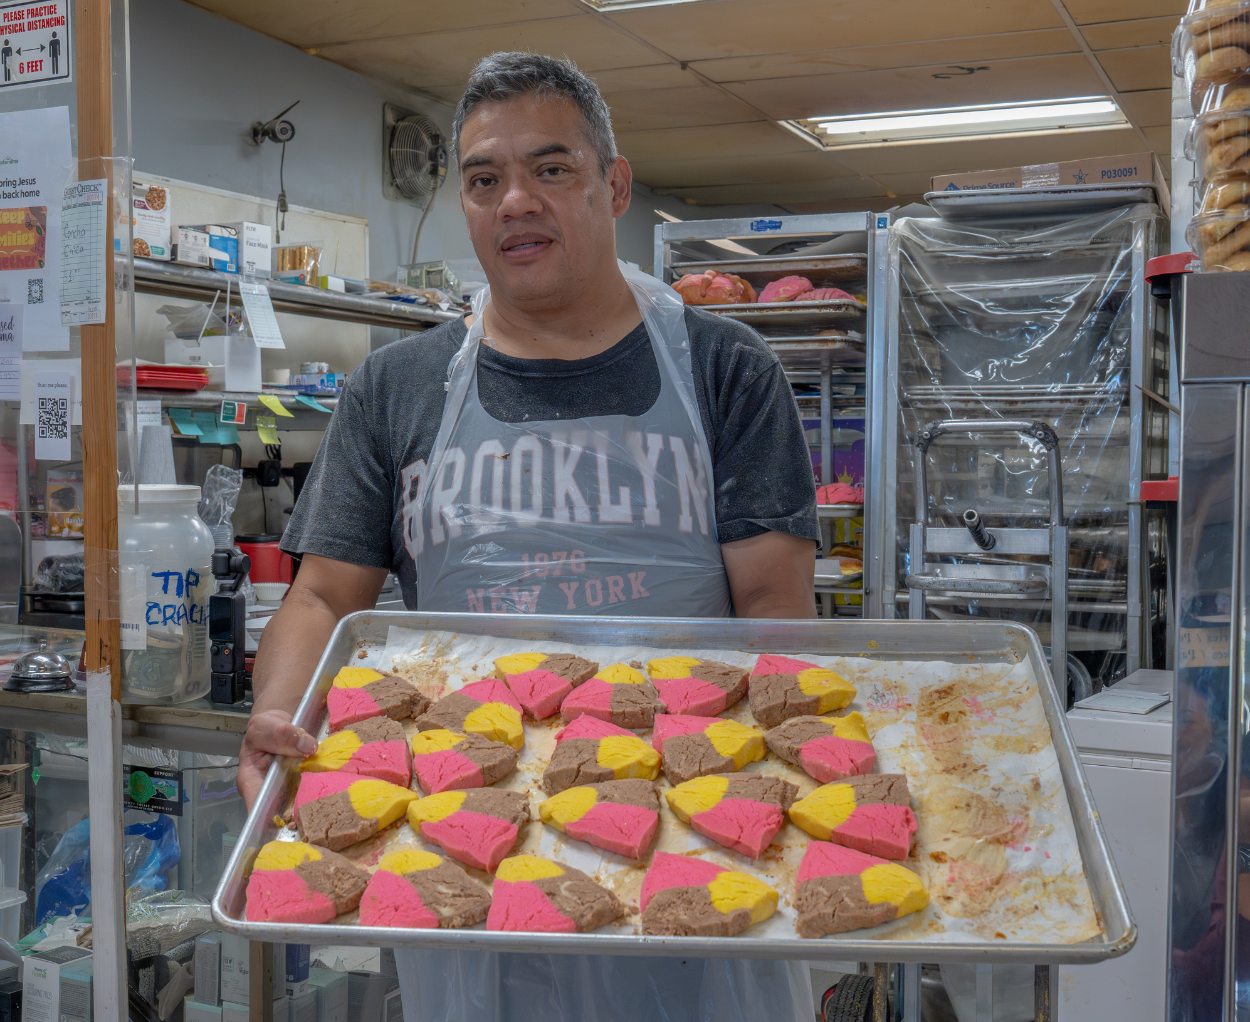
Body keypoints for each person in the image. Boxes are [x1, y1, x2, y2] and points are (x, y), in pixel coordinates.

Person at [238, 51, 820, 1022]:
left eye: (550, 169)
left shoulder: (723, 367)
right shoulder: (397, 386)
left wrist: (769, 802)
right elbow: (324, 594)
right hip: (468, 834)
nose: (514, 200)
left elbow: (772, 608)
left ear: (612, 184)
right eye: (482, 179)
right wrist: (280, 714)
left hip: (687, 833)